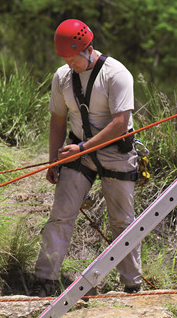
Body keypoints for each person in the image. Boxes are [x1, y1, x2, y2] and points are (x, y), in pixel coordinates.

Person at [31, 19, 143, 296]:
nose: (70, 66)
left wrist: (83, 148)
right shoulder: (62, 77)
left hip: (116, 152)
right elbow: (57, 120)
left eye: (73, 61)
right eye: (65, 61)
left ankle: (132, 285)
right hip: (78, 151)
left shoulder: (117, 75)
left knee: (122, 221)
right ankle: (44, 280)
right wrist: (53, 160)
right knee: (61, 214)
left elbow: (120, 123)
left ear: (88, 49)